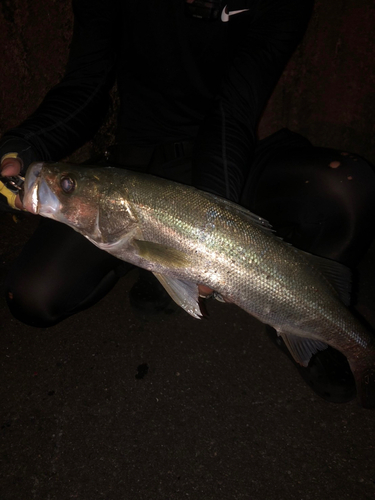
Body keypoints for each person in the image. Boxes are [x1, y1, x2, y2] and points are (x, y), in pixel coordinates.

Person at [1, 0, 375, 403]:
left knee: (349, 186)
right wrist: (23, 148)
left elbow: (234, 112)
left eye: (67, 185)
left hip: (229, 161)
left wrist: (217, 240)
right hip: (133, 168)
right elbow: (85, 84)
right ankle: (149, 268)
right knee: (33, 295)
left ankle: (295, 319)